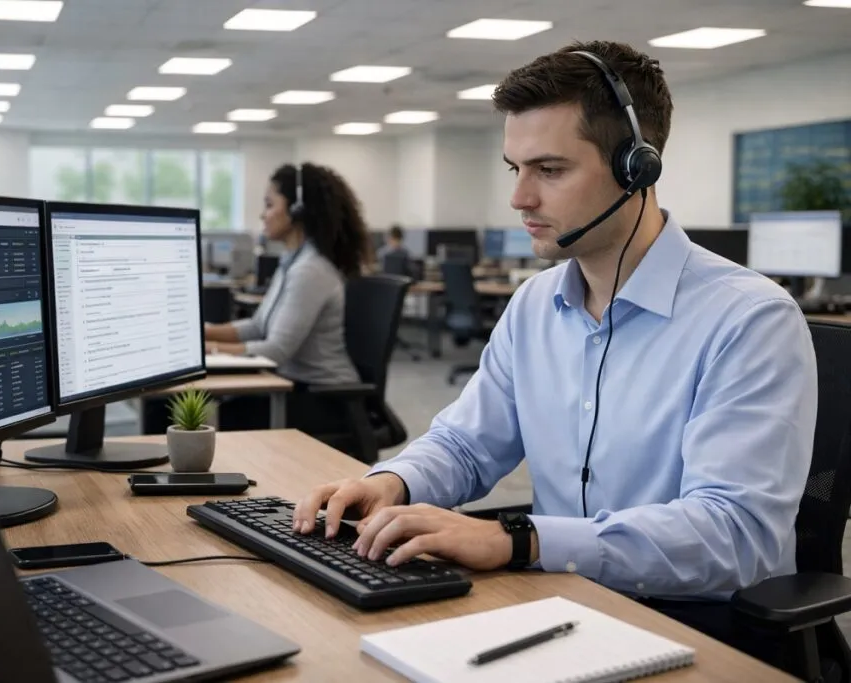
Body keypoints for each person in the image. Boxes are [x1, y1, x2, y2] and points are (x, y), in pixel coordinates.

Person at [292, 39, 816, 669]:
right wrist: (391, 483)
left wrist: (521, 539)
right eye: (516, 169)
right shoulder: (536, 305)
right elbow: (466, 443)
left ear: (636, 170)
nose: (520, 198)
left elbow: (733, 535)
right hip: (556, 598)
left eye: (550, 169)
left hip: (694, 623)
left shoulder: (748, 318)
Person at [203, 162, 370, 431]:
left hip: (324, 401)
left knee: (203, 415)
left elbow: (276, 350)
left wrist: (207, 351)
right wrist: (204, 333)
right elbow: (257, 327)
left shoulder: (311, 270)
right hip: (296, 388)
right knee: (202, 410)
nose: (262, 215)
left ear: (297, 210)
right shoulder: (292, 262)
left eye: (269, 205)